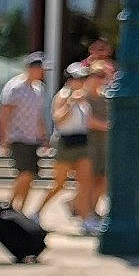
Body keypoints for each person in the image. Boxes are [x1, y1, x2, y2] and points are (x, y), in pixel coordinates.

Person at [39, 63, 96, 227]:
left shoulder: (84, 98)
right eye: (79, 78)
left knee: (85, 182)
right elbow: (58, 118)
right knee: (60, 183)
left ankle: (86, 218)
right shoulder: (63, 95)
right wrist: (71, 101)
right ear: (70, 80)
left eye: (84, 78)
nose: (82, 81)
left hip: (81, 141)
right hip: (65, 142)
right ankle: (37, 211)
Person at [0, 52, 49, 213]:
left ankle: (20, 210)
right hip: (17, 137)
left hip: (32, 138)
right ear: (32, 68)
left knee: (31, 176)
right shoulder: (15, 87)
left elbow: (38, 115)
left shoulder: (39, 89)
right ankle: (10, 204)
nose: (43, 72)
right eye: (41, 69)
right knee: (24, 173)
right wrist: (3, 139)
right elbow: (4, 114)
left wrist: (44, 137)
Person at [84, 40, 112, 231]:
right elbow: (87, 120)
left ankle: (92, 211)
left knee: (103, 179)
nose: (101, 79)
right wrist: (107, 126)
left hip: (103, 144)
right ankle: (87, 214)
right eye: (97, 75)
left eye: (103, 76)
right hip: (88, 143)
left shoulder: (105, 96)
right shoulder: (83, 95)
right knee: (90, 180)